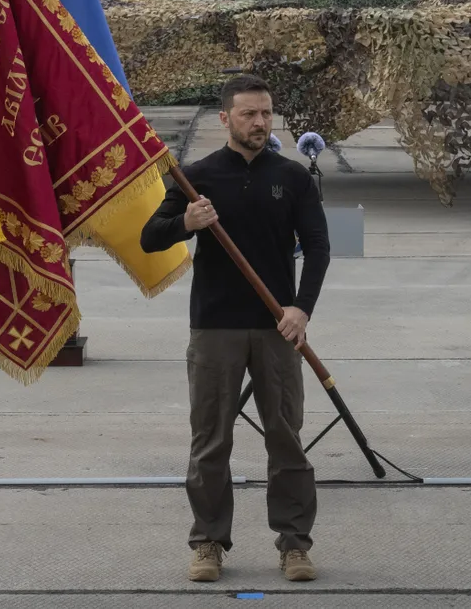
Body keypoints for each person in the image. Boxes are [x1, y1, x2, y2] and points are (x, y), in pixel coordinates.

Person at [140, 74, 330, 583]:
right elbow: (150, 237)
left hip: (277, 327)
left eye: (266, 113)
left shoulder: (291, 177)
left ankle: (294, 544)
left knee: (286, 439)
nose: (260, 122)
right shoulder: (195, 177)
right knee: (210, 442)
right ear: (225, 119)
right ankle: (207, 542)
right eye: (249, 114)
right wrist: (188, 223)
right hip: (214, 327)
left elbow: (317, 246)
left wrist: (301, 309)